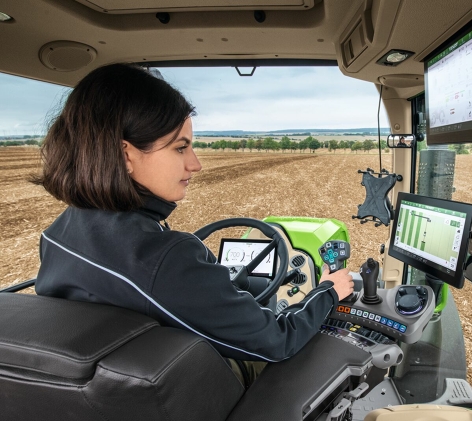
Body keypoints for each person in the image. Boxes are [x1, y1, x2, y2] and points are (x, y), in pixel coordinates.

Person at [33, 63, 354, 380]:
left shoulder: (59, 231)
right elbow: (278, 340)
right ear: (126, 155)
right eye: (181, 148)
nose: (195, 164)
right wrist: (327, 291)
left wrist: (218, 288)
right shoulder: (161, 258)